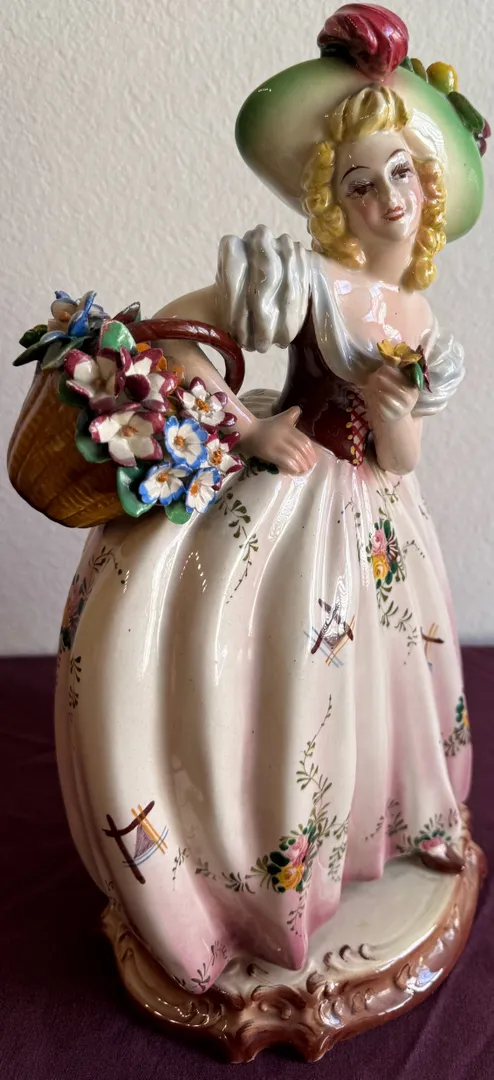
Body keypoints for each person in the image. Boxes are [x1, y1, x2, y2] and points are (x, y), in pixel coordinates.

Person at [55, 5, 486, 990]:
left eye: (401, 175)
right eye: (360, 182)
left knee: (379, 679)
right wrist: (245, 430)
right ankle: (252, 881)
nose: (387, 198)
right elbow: (171, 339)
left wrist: (395, 419)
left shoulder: (420, 319)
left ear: (426, 187)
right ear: (334, 201)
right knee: (278, 679)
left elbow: (403, 458)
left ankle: (381, 828)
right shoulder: (306, 282)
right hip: (291, 502)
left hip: (376, 519)